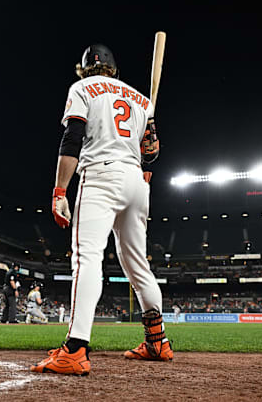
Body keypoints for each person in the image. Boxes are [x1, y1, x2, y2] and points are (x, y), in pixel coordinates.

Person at [32, 44, 170, 376]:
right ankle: (157, 341)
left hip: (101, 175)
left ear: (84, 68)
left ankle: (76, 349)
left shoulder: (82, 88)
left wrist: (59, 191)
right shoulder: (141, 100)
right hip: (137, 182)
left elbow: (72, 140)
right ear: (113, 67)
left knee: (87, 256)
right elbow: (150, 153)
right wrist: (150, 140)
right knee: (137, 264)